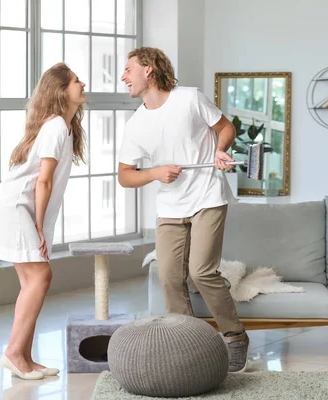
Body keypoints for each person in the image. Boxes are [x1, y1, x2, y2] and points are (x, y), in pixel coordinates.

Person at [117, 47, 249, 373]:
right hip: (170, 205)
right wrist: (155, 173)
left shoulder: (189, 98)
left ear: (148, 70)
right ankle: (190, 344)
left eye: (128, 69)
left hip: (207, 195)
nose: (124, 77)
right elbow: (125, 175)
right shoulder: (135, 125)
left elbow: (226, 128)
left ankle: (235, 337)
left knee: (201, 271)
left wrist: (220, 150)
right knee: (169, 277)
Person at [0, 62, 87, 380]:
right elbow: (43, 182)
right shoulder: (55, 126)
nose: (82, 84)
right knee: (41, 277)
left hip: (23, 210)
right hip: (16, 208)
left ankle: (25, 358)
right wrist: (40, 228)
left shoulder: (66, 127)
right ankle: (14, 353)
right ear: (61, 91)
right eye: (75, 81)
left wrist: (41, 224)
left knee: (32, 282)